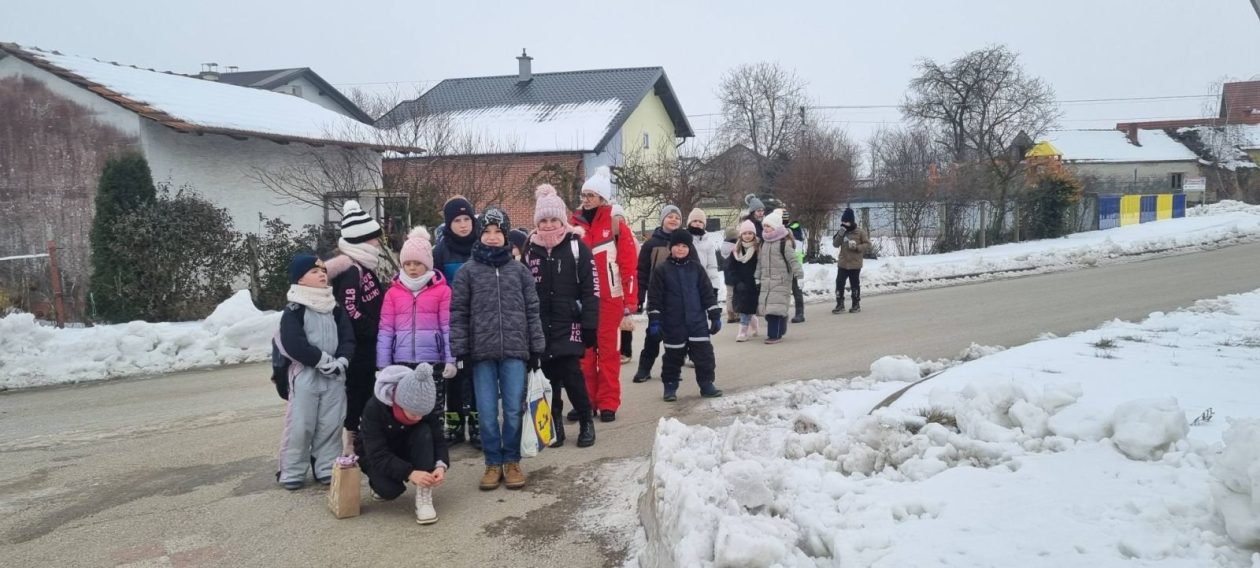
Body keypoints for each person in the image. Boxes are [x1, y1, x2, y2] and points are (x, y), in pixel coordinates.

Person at [450, 206, 545, 490]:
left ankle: (512, 461)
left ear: (506, 235)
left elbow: (532, 311)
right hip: (481, 354)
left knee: (514, 409)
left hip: (515, 351)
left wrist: (536, 348)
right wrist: (461, 350)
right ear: (480, 236)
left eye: (498, 232)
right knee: (488, 411)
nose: (492, 237)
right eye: (487, 232)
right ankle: (492, 462)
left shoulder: (520, 272)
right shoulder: (467, 273)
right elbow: (458, 313)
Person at [523, 184, 599, 448]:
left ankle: (586, 419)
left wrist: (590, 324)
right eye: (543, 220)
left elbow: (591, 289)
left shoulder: (577, 247)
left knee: (572, 375)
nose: (548, 224)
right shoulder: (529, 250)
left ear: (563, 220)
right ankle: (554, 422)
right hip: (541, 325)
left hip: (570, 323)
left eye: (554, 219)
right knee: (548, 377)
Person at [276, 254, 355, 490]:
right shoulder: (295, 309)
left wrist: (342, 361)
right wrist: (320, 360)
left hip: (335, 376)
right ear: (300, 280)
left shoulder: (334, 307)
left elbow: (347, 337)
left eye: (323, 271)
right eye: (314, 272)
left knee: (331, 424)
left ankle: (326, 468)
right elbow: (293, 343)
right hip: (307, 375)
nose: (322, 275)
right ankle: (292, 471)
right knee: (301, 425)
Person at [570, 166, 638, 422]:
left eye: (591, 195)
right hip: (583, 300)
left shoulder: (615, 224)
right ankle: (586, 401)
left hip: (611, 300)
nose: (586, 199)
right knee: (584, 355)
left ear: (602, 198)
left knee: (609, 353)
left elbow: (629, 264)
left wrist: (629, 301)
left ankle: (608, 402)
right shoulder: (573, 224)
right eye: (584, 194)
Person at [376, 226, 457, 436]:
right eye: (408, 263)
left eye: (418, 263)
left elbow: (447, 327)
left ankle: (435, 449)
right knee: (404, 408)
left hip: (432, 360)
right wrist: (383, 364)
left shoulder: (442, 291)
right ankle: (409, 450)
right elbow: (385, 330)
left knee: (433, 407)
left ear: (427, 264)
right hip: (401, 360)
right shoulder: (393, 293)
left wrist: (451, 359)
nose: (412, 268)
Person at [325, 200, 385, 454]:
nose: (379, 244)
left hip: (369, 344)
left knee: (367, 391)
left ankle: (362, 436)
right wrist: (374, 328)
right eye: (374, 239)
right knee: (358, 392)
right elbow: (350, 309)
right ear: (363, 240)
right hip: (359, 347)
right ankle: (351, 439)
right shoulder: (352, 271)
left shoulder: (365, 267)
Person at [355, 365, 448, 525]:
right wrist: (410, 473)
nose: (418, 417)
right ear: (399, 403)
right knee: (389, 491)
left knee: (424, 431)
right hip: (377, 453)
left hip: (408, 443)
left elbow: (438, 438)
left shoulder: (424, 404)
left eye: (422, 414)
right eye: (413, 413)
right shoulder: (374, 407)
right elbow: (377, 454)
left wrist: (440, 465)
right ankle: (376, 484)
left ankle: (424, 496)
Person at [648, 229, 723, 402]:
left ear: (689, 248)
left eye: (684, 246)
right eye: (677, 246)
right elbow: (654, 298)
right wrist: (655, 320)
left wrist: (714, 314)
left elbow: (707, 294)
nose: (680, 249)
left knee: (704, 356)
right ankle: (670, 386)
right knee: (673, 358)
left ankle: (706, 384)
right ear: (670, 247)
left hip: (697, 322)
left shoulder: (696, 269)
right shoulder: (662, 270)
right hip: (673, 324)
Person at [432, 196, 480, 448]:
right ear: (448, 224)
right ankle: (454, 424)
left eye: (466, 219)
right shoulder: (439, 251)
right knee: (452, 377)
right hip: (450, 323)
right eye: (457, 221)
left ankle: (476, 423)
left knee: (476, 375)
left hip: (479, 322)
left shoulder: (481, 246)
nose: (463, 225)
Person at [631, 204, 683, 384]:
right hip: (657, 297)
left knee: (676, 336)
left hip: (679, 297)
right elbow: (642, 271)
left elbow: (695, 270)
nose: (674, 220)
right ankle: (644, 369)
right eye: (670, 216)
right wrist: (639, 296)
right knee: (653, 334)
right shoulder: (651, 244)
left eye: (677, 217)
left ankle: (672, 370)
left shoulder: (684, 242)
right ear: (662, 220)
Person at [757, 209, 804, 344]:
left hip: (781, 281)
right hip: (767, 281)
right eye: (765, 226)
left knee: (773, 311)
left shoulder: (784, 243)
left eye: (769, 226)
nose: (766, 228)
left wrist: (799, 276)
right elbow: (760, 262)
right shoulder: (764, 243)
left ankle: (774, 335)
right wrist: (757, 276)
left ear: (777, 227)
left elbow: (793, 261)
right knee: (768, 310)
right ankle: (781, 322)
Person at [725, 220, 761, 342]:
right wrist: (736, 281)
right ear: (741, 235)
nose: (747, 235)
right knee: (743, 308)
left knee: (748, 308)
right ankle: (748, 327)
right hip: (740, 284)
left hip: (754, 283)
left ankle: (748, 328)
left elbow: (761, 265)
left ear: (754, 234)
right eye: (745, 233)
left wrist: (759, 279)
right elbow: (731, 267)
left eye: (750, 233)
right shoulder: (736, 250)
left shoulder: (758, 248)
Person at [832, 207, 871, 314]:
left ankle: (856, 304)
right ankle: (840, 304)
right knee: (839, 283)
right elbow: (835, 244)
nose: (844, 224)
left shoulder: (859, 232)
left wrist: (858, 247)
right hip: (843, 263)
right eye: (843, 221)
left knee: (854, 284)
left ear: (851, 221)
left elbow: (867, 244)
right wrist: (840, 234)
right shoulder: (842, 231)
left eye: (846, 222)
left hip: (855, 263)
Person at [612, 203, 638, 365]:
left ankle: (625, 351)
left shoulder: (631, 238)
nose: (619, 221)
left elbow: (634, 262)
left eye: (621, 218)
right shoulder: (605, 240)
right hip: (611, 283)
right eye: (616, 219)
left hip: (625, 284)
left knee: (625, 320)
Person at [686, 208, 723, 296]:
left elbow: (712, 266)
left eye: (700, 221)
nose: (697, 223)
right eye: (694, 221)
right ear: (689, 223)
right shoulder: (685, 240)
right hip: (686, 282)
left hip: (703, 283)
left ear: (704, 224)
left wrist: (714, 286)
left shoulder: (708, 243)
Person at [782, 209, 808, 324]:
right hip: (782, 264)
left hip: (794, 263)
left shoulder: (794, 228)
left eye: (785, 217)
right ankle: (781, 313)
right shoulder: (778, 229)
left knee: (796, 289)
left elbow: (796, 248)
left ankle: (800, 313)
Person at [721, 226, 740, 323]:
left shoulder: (724, 246)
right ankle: (736, 313)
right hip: (735, 273)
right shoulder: (735, 247)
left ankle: (730, 315)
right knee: (735, 294)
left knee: (729, 295)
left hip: (727, 273)